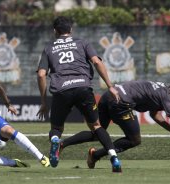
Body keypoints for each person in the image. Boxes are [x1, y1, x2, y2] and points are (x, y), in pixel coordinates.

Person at [36, 16, 122, 172]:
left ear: (55, 31)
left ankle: (56, 140)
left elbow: (41, 74)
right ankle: (114, 158)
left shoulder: (49, 48)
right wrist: (110, 85)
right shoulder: (83, 42)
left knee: (56, 128)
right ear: (71, 29)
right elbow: (96, 62)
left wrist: (43, 101)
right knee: (96, 126)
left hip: (61, 90)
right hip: (83, 88)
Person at [60, 80, 170, 169]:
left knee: (98, 132)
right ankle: (96, 155)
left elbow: (156, 116)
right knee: (135, 139)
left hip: (109, 95)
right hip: (121, 102)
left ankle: (63, 144)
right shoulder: (166, 96)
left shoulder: (159, 90)